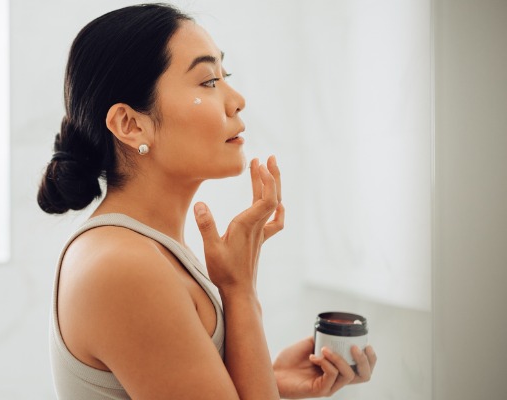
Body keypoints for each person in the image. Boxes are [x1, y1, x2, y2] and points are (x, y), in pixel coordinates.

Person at [37, 4, 377, 399]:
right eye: (208, 81)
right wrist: (239, 290)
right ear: (130, 124)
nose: (237, 100)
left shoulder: (143, 249)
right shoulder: (124, 266)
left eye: (224, 75)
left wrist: (270, 381)